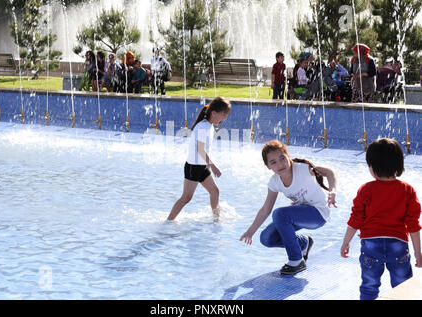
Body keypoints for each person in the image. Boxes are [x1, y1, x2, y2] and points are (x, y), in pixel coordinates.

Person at [340, 138, 421, 300]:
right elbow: (413, 225)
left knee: (369, 286)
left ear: (372, 167)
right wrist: (418, 252)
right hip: (398, 244)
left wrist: (346, 242)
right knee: (402, 287)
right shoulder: (407, 190)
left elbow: (355, 219)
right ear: (399, 164)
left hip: (371, 245)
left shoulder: (366, 190)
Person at [240, 140, 337, 275]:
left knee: (280, 214)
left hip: (318, 214)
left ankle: (296, 261)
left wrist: (332, 191)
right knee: (266, 238)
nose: (280, 164)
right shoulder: (274, 182)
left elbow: (330, 172)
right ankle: (303, 243)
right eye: (273, 162)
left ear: (288, 156)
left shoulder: (303, 169)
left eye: (282, 158)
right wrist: (251, 231)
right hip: (300, 216)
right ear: (268, 166)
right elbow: (265, 210)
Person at [167, 97, 232, 221]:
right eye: (223, 115)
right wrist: (213, 166)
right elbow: (200, 149)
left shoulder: (209, 125)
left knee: (215, 192)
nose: (225, 118)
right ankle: (169, 221)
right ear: (214, 113)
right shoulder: (203, 127)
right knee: (186, 198)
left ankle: (216, 220)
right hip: (194, 167)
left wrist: (207, 164)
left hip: (201, 166)